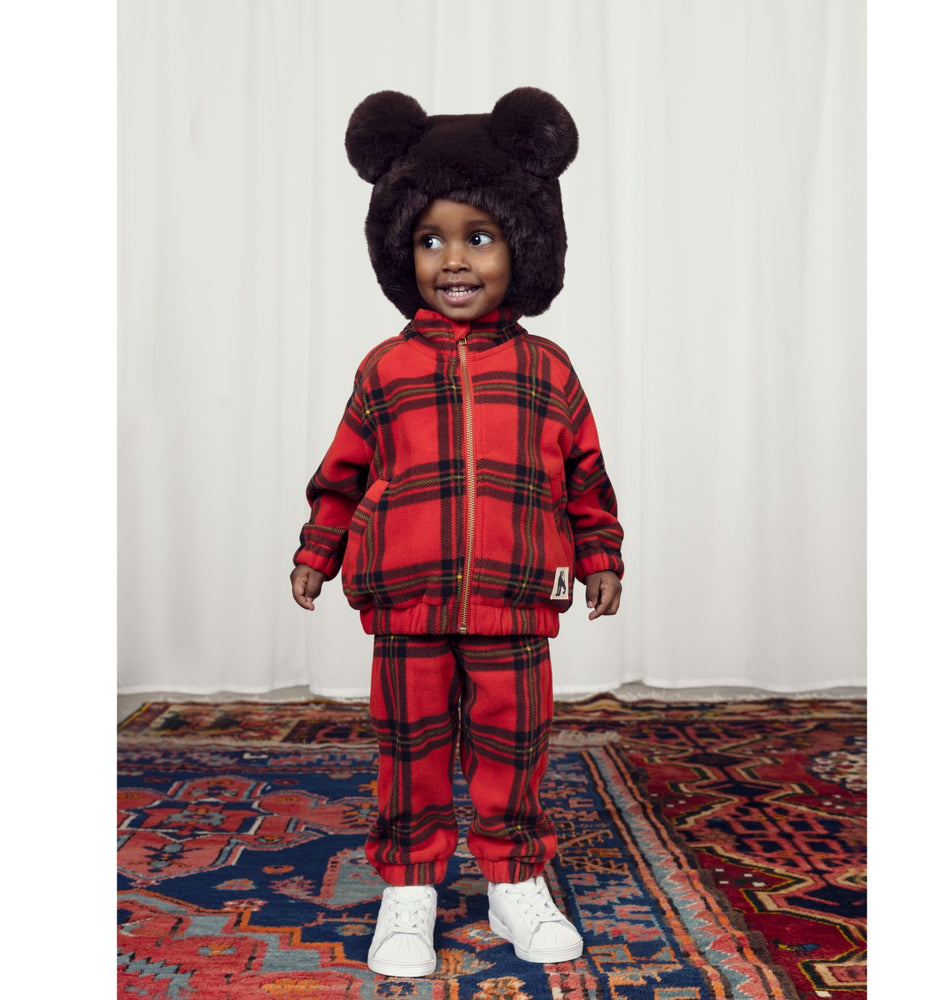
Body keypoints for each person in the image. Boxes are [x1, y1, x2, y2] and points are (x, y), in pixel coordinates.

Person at [290, 87, 624, 979]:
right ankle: (410, 886)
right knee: (411, 747)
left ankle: (516, 879)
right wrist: (318, 551)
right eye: (430, 240)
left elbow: (586, 479)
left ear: (525, 245)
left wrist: (600, 555)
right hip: (407, 604)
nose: (454, 260)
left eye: (479, 236)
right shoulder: (386, 369)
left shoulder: (548, 371)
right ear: (402, 252)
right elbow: (343, 473)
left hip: (516, 603)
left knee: (516, 744)